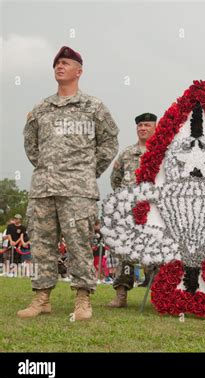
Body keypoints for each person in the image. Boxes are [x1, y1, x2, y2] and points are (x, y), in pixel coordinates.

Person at [18, 46, 119, 320]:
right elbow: (31, 144)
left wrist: (87, 171)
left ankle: (83, 299)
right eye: (56, 64)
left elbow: (109, 141)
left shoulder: (93, 107)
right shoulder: (41, 108)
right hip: (43, 188)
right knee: (40, 244)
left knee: (78, 244)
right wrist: (46, 168)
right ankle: (41, 298)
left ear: (79, 71)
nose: (59, 67)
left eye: (65, 63)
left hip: (78, 189)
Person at [107, 112, 157, 308]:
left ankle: (157, 296)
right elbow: (115, 179)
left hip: (154, 213)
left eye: (147, 125)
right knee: (124, 252)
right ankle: (121, 295)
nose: (142, 128)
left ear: (155, 128)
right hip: (128, 213)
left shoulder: (162, 153)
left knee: (155, 252)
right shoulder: (127, 153)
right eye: (140, 125)